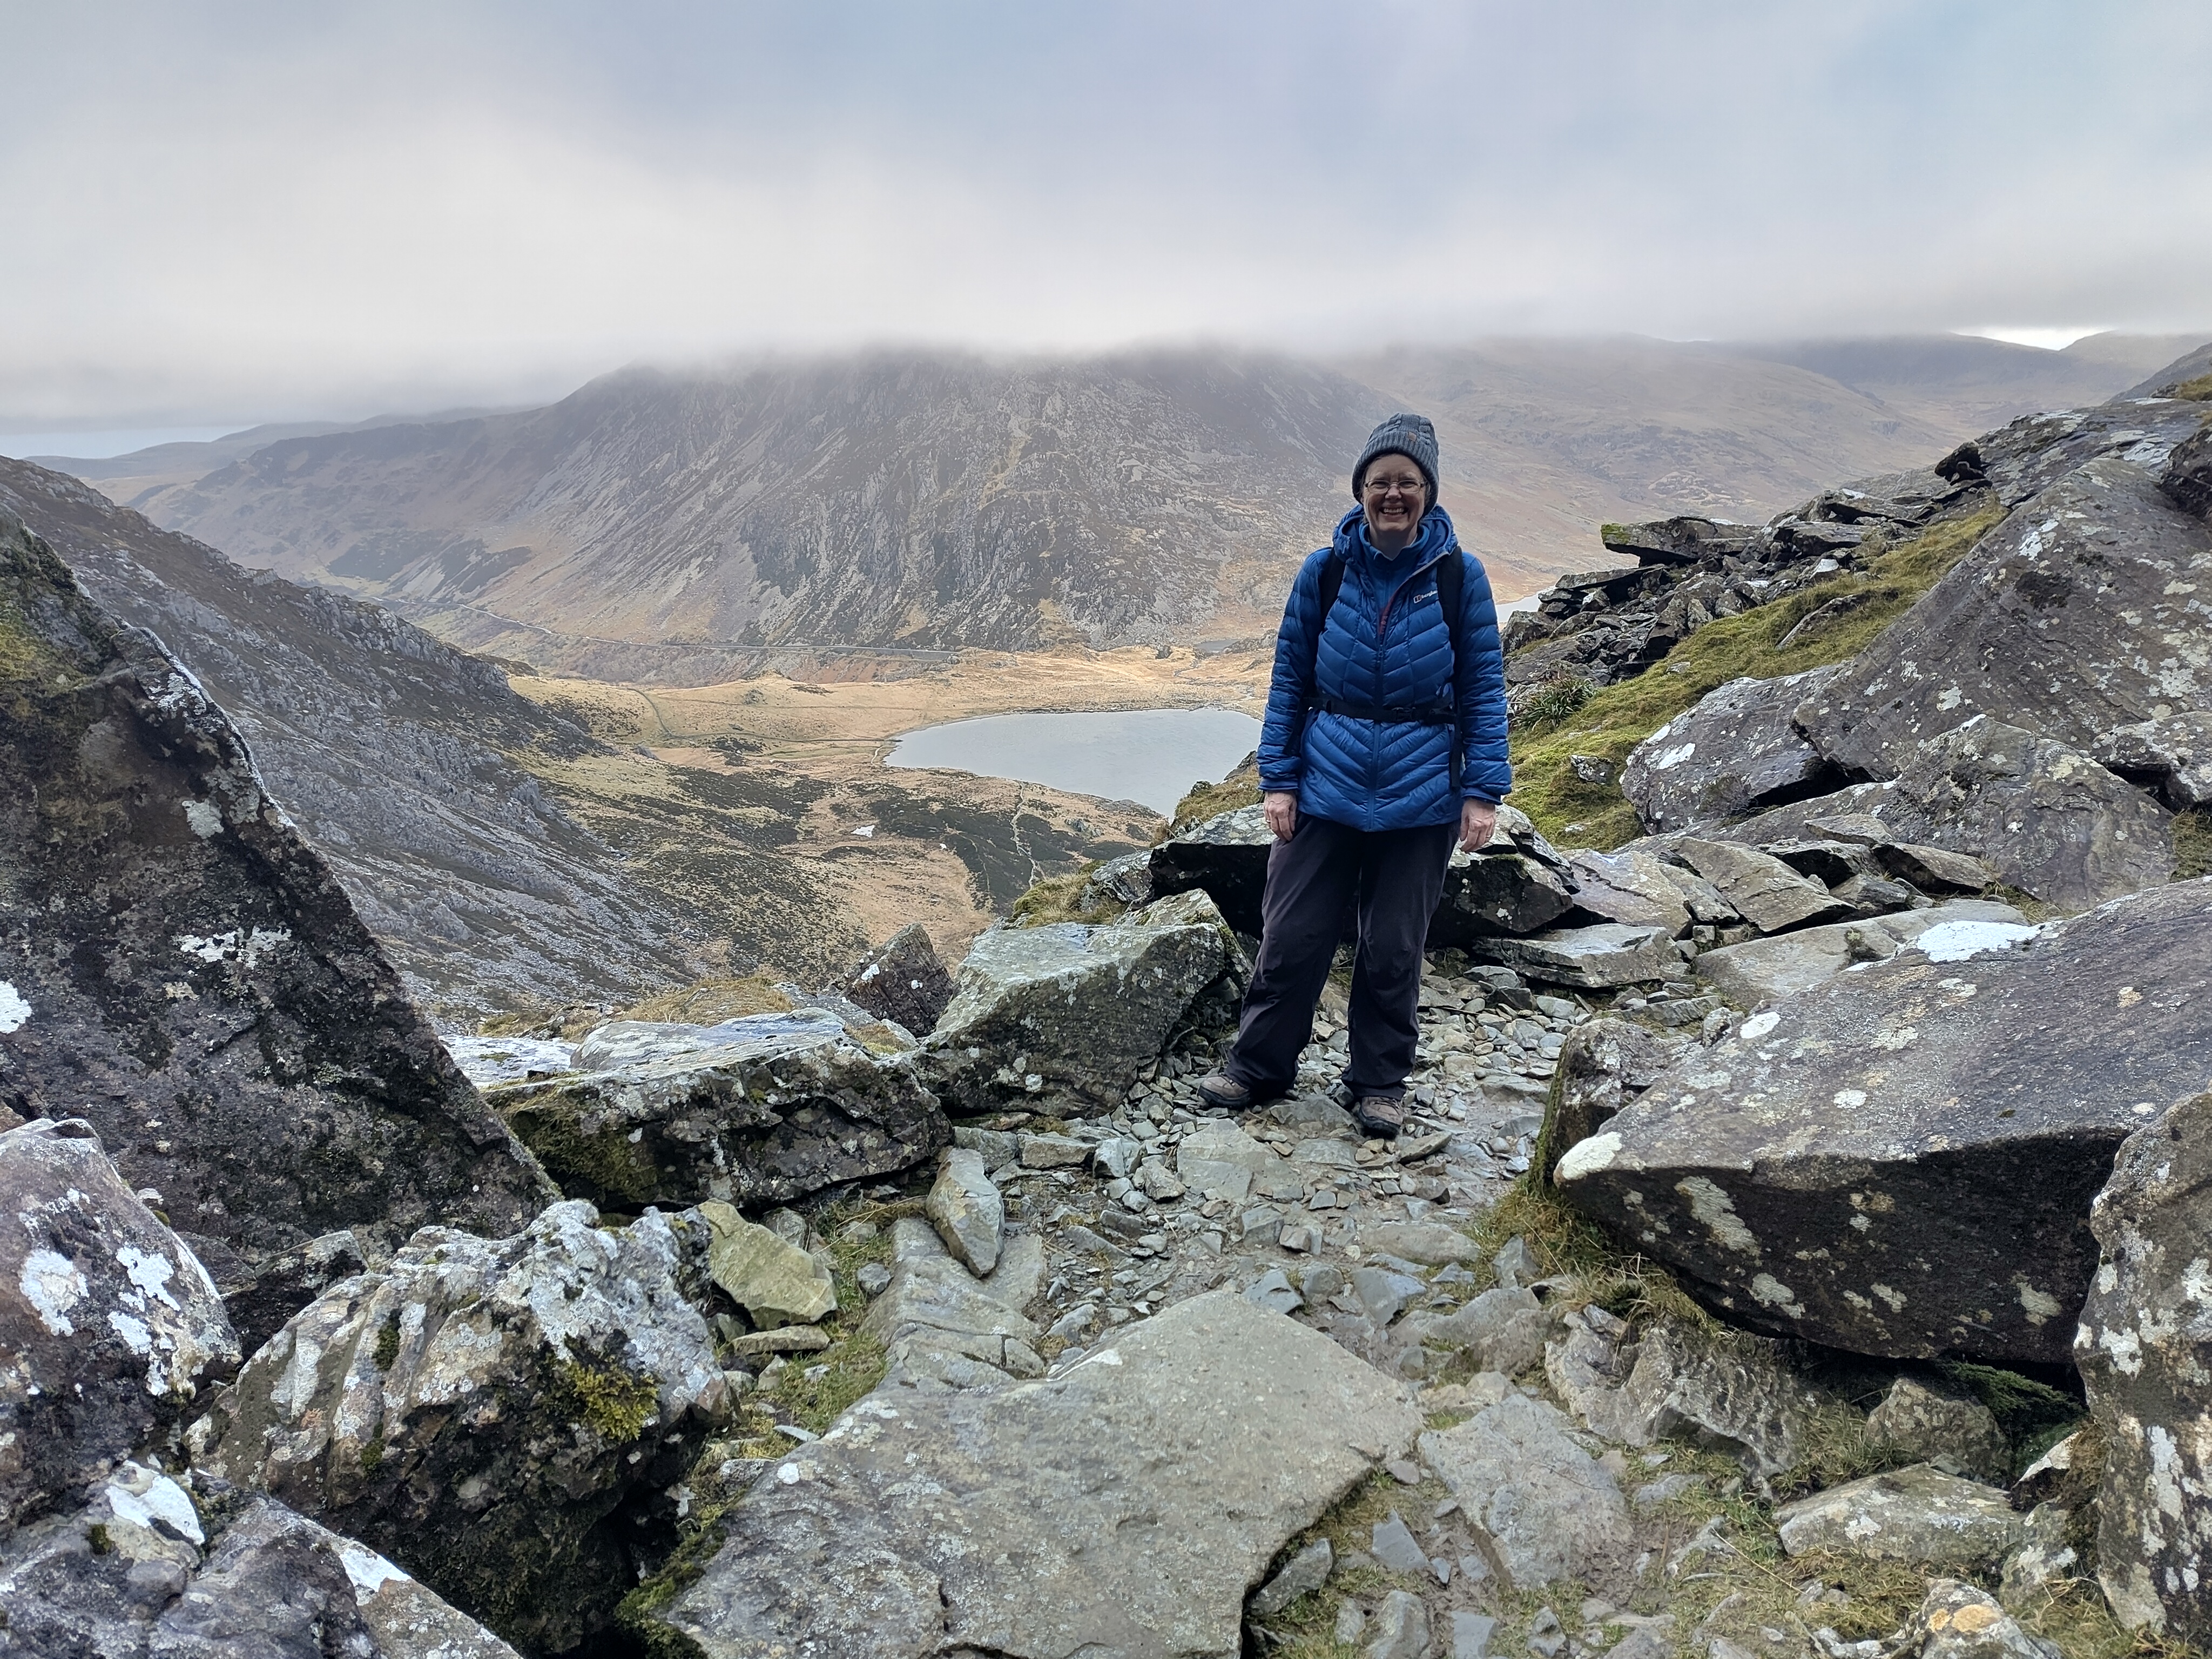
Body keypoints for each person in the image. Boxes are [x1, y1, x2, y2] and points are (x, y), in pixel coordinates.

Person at [1196, 413, 1509, 1138]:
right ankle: (1258, 1067)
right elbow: (1289, 679)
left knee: (1396, 948)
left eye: (1407, 482)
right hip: (1327, 784)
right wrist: (1280, 778)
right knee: (1292, 934)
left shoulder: (1461, 577)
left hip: (1424, 792)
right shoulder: (1326, 570)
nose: (1393, 494)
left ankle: (1379, 1084)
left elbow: (1485, 688)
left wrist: (1483, 792)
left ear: (1429, 491)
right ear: (1361, 491)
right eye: (1380, 482)